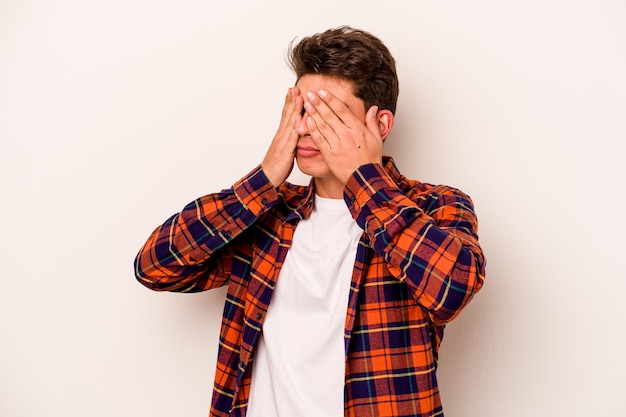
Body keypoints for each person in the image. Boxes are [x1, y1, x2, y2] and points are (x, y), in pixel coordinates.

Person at [134, 26, 485, 417]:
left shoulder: (435, 205)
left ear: (380, 125)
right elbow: (155, 268)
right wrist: (264, 179)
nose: (305, 127)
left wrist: (362, 178)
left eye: (328, 114)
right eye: (301, 110)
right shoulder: (267, 214)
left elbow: (452, 289)